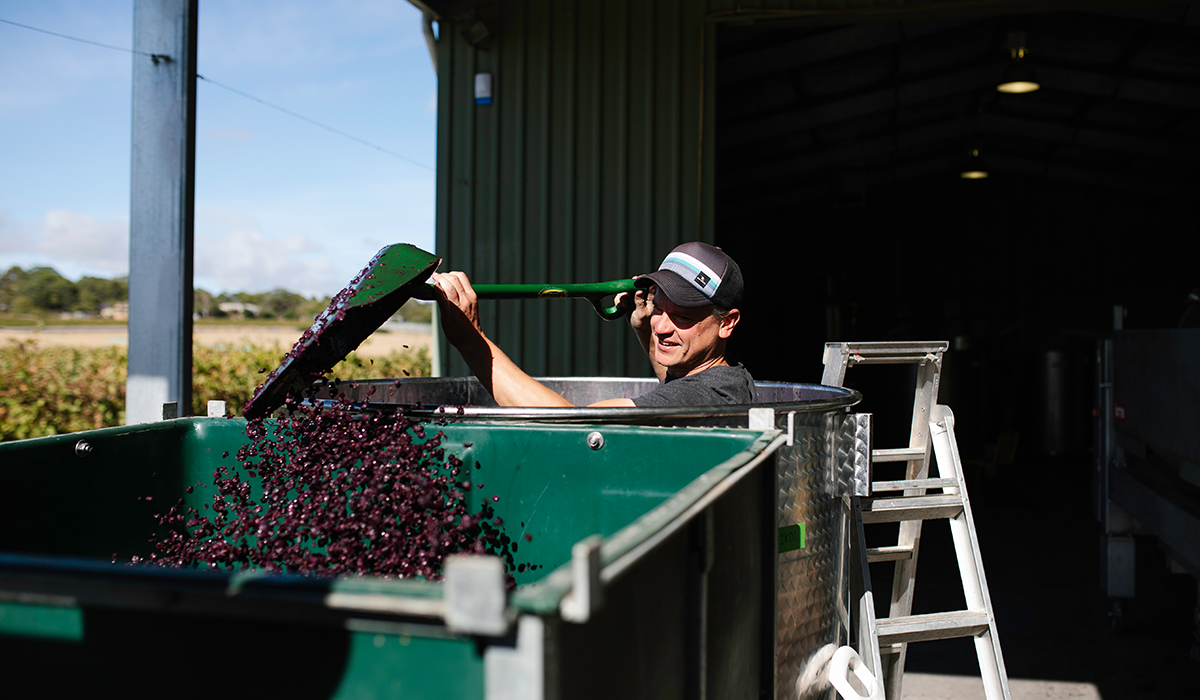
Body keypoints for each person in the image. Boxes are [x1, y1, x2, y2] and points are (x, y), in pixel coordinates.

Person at [431, 241, 753, 407]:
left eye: (683, 317)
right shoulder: (714, 376)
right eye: (659, 308)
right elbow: (676, 378)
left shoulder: (713, 394)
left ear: (727, 323)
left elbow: (572, 427)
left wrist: (471, 340)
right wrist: (642, 327)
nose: (662, 327)